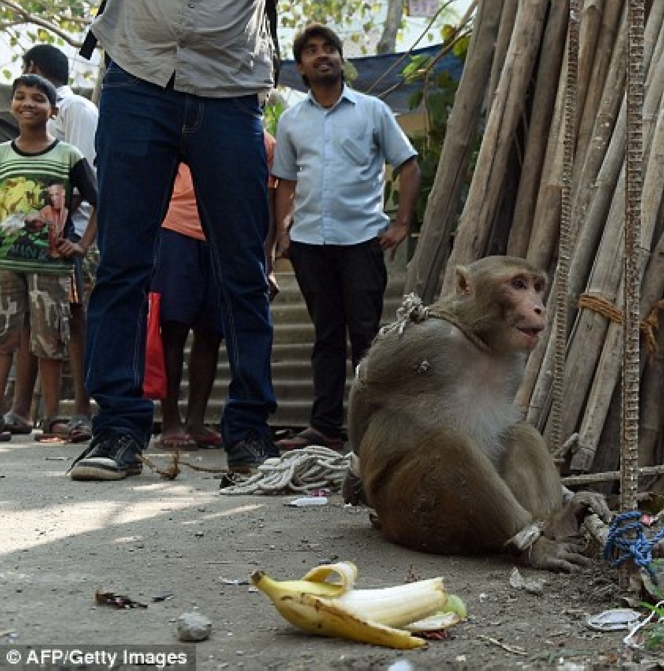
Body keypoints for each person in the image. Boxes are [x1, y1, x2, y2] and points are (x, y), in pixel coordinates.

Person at [69, 0, 279, 481]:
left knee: (242, 270)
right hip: (139, 71)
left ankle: (249, 432)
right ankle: (118, 428)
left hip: (231, 79)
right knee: (123, 263)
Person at [271, 24, 420, 452]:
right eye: (312, 51)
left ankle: (372, 428)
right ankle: (323, 427)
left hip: (360, 240)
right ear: (301, 66)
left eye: (330, 48)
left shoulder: (372, 111)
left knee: (367, 337)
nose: (323, 55)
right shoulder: (292, 120)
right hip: (310, 244)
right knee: (326, 336)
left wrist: (402, 222)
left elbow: (407, 165)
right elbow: (283, 180)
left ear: (341, 59)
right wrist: (283, 233)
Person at [153, 131, 278, 451]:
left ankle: (195, 420)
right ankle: (169, 419)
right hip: (176, 228)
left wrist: (267, 258)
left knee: (211, 331)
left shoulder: (264, 142)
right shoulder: (185, 124)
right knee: (173, 326)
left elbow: (267, 199)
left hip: (226, 237)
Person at [0, 44, 99, 442]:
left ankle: (73, 412)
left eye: (37, 96)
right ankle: (21, 410)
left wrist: (51, 221)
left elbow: (87, 177)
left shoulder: (77, 110)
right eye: (19, 96)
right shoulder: (7, 152)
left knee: (66, 324)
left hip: (66, 240)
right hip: (19, 252)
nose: (27, 103)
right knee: (23, 327)